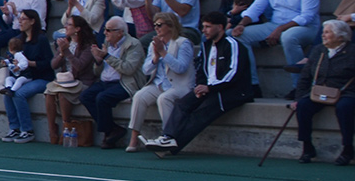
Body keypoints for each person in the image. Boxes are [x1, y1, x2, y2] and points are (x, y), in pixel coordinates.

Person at [144, 12, 255, 156]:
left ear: (220, 27)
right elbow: (201, 69)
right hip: (210, 88)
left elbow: (233, 73)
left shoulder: (233, 45)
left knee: (201, 113)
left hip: (231, 91)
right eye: (203, 26)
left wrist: (210, 87)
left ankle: (172, 147)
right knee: (182, 104)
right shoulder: (206, 45)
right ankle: (167, 137)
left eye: (208, 27)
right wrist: (201, 86)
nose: (204, 30)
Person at [234, 0, 321, 74]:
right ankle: (253, 84)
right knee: (236, 36)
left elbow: (307, 16)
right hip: (275, 25)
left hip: (305, 27)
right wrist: (242, 24)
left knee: (288, 37)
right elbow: (257, 7)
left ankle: (299, 87)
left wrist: (280, 29)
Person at [127, 12, 196, 152]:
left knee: (164, 99)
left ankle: (168, 137)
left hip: (179, 85)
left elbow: (181, 68)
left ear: (170, 26)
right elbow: (146, 70)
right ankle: (134, 137)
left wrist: (164, 53)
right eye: (155, 25)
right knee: (139, 96)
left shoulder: (183, 43)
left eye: (159, 25)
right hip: (159, 84)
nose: (156, 28)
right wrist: (155, 58)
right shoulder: (155, 44)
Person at [290, 20, 355, 165]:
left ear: (340, 36)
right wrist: (298, 98)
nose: (323, 36)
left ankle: (348, 148)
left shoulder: (352, 52)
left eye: (327, 32)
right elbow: (305, 77)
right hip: (319, 91)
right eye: (323, 32)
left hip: (346, 92)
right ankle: (307, 147)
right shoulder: (319, 50)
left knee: (345, 107)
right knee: (303, 106)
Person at [80, 17, 148, 149]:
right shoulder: (108, 42)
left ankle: (108, 134)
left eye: (109, 30)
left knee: (102, 98)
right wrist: (98, 60)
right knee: (85, 96)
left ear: (120, 32)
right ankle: (112, 129)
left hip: (125, 82)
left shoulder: (133, 45)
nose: (105, 33)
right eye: (105, 29)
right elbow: (98, 71)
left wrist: (106, 56)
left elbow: (128, 69)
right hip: (105, 81)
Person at [0, 9, 52, 143]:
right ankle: (14, 127)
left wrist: (30, 63)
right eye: (20, 19)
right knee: (8, 92)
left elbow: (48, 62)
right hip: (23, 77)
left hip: (40, 77)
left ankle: (27, 130)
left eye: (24, 19)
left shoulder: (41, 39)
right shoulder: (18, 40)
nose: (20, 22)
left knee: (19, 94)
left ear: (33, 21)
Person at [44, 16, 97, 145]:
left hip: (82, 81)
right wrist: (61, 53)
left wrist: (66, 52)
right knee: (48, 93)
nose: (66, 27)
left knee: (63, 95)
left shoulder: (88, 46)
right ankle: (52, 129)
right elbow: (54, 65)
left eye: (69, 25)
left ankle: (65, 126)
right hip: (65, 80)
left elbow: (80, 66)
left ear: (77, 29)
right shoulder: (65, 42)